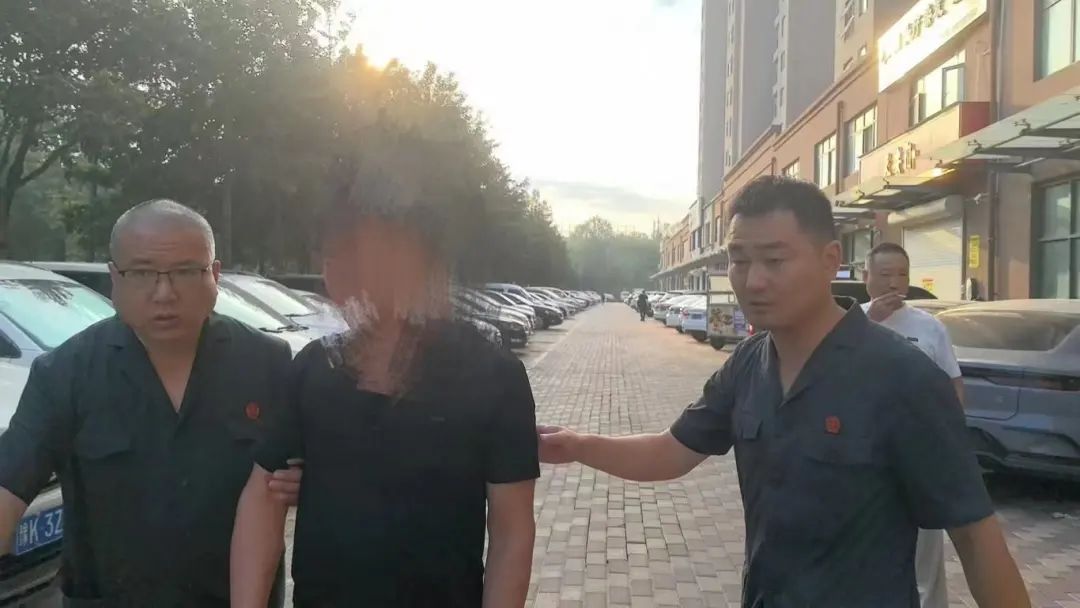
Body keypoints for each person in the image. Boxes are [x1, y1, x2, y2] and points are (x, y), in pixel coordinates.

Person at [538, 176, 1029, 608]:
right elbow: (671, 451)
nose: (753, 280)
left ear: (829, 260)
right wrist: (578, 446)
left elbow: (976, 538)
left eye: (774, 260)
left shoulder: (902, 377)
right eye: (739, 260)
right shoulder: (748, 365)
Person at [231, 203, 540, 607]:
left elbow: (512, 532)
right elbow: (262, 497)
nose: (340, 277)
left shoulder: (493, 376)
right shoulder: (313, 368)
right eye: (332, 259)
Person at [0, 199, 301, 606]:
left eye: (185, 272)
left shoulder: (267, 363)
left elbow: (314, 470)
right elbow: (9, 486)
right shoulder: (66, 373)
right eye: (141, 273)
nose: (164, 293)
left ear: (214, 275)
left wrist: (308, 481)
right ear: (114, 278)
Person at [863, 241, 965, 608]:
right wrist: (870, 321)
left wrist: (950, 440)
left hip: (920, 455)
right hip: (863, 456)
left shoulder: (929, 327)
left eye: (902, 275)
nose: (894, 283)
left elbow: (953, 386)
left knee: (925, 555)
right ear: (866, 277)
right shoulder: (847, 323)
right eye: (885, 274)